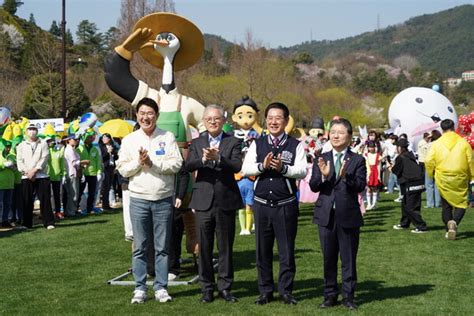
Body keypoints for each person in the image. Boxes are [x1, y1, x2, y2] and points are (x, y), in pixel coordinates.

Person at [117, 97, 182, 304]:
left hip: (163, 199)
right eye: (142, 113)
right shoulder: (129, 140)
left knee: (162, 247)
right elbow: (123, 168)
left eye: (150, 113)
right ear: (136, 115)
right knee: (140, 247)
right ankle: (140, 287)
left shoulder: (168, 137)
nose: (146, 117)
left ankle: (161, 287)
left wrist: (152, 163)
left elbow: (176, 164)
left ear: (157, 115)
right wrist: (139, 162)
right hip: (138, 200)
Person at [242, 102, 307, 306]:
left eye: (278, 118)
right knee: (263, 250)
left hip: (285, 205)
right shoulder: (257, 143)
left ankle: (286, 291)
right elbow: (246, 169)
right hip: (261, 204)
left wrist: (283, 168)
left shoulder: (295, 145)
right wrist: (262, 166)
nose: (273, 121)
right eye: (270, 117)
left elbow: (302, 170)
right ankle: (265, 291)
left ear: (286, 121)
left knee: (286, 250)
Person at [184, 104, 243, 304]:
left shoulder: (233, 141)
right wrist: (202, 159)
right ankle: (206, 288)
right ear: (203, 121)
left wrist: (219, 158)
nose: (212, 121)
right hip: (203, 200)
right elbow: (188, 165)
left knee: (225, 247)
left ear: (223, 121)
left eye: (216, 118)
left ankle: (225, 287)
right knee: (205, 247)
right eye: (208, 118)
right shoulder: (197, 142)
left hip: (225, 200)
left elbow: (237, 165)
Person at [309, 118, 366, 310]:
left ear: (349, 137)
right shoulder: (322, 156)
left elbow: (360, 185)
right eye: (333, 132)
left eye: (340, 132)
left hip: (348, 215)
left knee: (348, 259)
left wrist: (345, 176)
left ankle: (348, 297)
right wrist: (325, 175)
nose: (335, 135)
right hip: (326, 215)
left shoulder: (358, 160)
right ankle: (329, 295)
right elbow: (314, 186)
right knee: (329, 258)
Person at [425, 119, 473, 240]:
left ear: (442, 129)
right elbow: (470, 161)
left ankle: (448, 229)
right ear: (454, 127)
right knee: (461, 204)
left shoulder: (436, 144)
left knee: (446, 205)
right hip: (460, 176)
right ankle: (454, 222)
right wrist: (472, 176)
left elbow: (429, 160)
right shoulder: (463, 142)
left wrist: (431, 173)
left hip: (443, 177)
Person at [16, 124, 55, 229]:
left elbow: (44, 158)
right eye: (30, 129)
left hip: (41, 175)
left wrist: (35, 170)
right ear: (26, 131)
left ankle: (48, 222)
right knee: (26, 200)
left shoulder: (43, 143)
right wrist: (27, 172)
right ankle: (26, 223)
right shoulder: (21, 145)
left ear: (37, 131)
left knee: (45, 199)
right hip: (26, 176)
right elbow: (19, 160)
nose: (32, 131)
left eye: (34, 129)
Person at [391, 138, 427, 233]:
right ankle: (404, 223)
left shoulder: (401, 157)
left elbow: (395, 170)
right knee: (405, 204)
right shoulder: (410, 155)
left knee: (410, 208)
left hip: (413, 183)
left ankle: (421, 226)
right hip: (416, 182)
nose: (396, 149)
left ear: (401, 148)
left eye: (397, 147)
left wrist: (390, 166)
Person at [77, 130, 103, 215]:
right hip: (83, 174)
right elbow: (77, 161)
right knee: (80, 192)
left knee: (92, 193)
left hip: (93, 174)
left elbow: (98, 162)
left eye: (91, 137)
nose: (91, 138)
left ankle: (89, 209)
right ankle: (76, 208)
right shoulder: (79, 148)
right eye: (89, 137)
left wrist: (98, 172)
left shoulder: (95, 149)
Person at [63, 135, 87, 217]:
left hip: (75, 173)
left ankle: (71, 211)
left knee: (73, 194)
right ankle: (71, 212)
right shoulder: (69, 150)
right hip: (72, 173)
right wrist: (83, 162)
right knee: (73, 194)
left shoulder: (72, 149)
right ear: (69, 140)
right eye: (74, 139)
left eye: (77, 139)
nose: (76, 140)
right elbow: (74, 163)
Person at [46, 135, 65, 219]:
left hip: (56, 176)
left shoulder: (58, 150)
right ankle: (47, 212)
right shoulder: (44, 151)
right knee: (47, 195)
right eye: (49, 141)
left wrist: (63, 173)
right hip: (46, 176)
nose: (51, 142)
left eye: (52, 140)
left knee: (57, 195)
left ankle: (57, 212)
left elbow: (62, 162)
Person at [99, 133, 118, 210]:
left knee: (110, 186)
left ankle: (107, 204)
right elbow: (102, 158)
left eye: (105, 138)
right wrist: (107, 152)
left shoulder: (113, 147)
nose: (103, 139)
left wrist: (113, 152)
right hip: (105, 168)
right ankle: (105, 204)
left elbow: (116, 157)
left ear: (109, 139)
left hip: (112, 168)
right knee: (105, 187)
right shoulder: (101, 147)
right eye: (102, 138)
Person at [424, 130, 442, 208]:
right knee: (437, 185)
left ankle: (430, 203)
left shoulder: (429, 145)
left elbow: (426, 156)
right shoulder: (441, 145)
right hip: (439, 166)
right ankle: (438, 203)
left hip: (429, 166)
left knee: (429, 185)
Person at [0, 140, 15, 228]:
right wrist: (3, 165)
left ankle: (5, 220)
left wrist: (13, 166)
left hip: (10, 183)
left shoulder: (11, 155)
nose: (8, 148)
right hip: (1, 184)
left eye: (9, 146)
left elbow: (15, 165)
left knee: (7, 203)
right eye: (7, 146)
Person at [364, 141, 383, 210]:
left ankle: (374, 204)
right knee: (368, 188)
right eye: (370, 147)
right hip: (368, 173)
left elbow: (379, 166)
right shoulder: (366, 155)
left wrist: (379, 176)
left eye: (372, 147)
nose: (371, 148)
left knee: (375, 188)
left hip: (375, 173)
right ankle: (369, 204)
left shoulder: (378, 155)